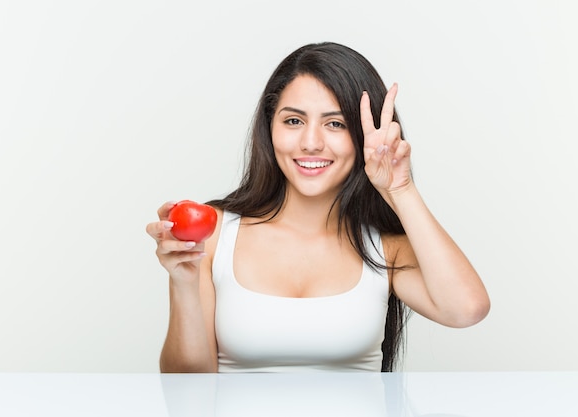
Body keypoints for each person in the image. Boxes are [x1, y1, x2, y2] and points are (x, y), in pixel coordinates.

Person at [145, 41, 490, 373]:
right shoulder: (216, 232)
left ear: (362, 135)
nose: (311, 143)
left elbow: (466, 309)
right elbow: (187, 386)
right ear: (270, 127)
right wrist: (183, 282)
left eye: (335, 123)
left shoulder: (386, 248)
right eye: (293, 121)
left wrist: (400, 188)